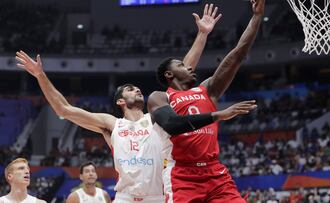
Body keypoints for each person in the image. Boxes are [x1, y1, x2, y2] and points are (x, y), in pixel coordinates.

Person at [15, 4, 255, 203]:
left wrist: (202, 35)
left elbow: (183, 72)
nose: (137, 89)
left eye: (138, 88)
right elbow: (64, 110)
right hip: (126, 197)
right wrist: (40, 76)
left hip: (159, 196)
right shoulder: (112, 124)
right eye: (130, 89)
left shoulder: (157, 116)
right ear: (120, 100)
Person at [147, 0, 265, 202]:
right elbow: (173, 125)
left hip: (215, 173)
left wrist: (256, 17)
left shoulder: (207, 90)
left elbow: (238, 54)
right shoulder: (160, 97)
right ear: (169, 74)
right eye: (181, 65)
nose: (189, 67)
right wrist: (220, 114)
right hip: (182, 175)